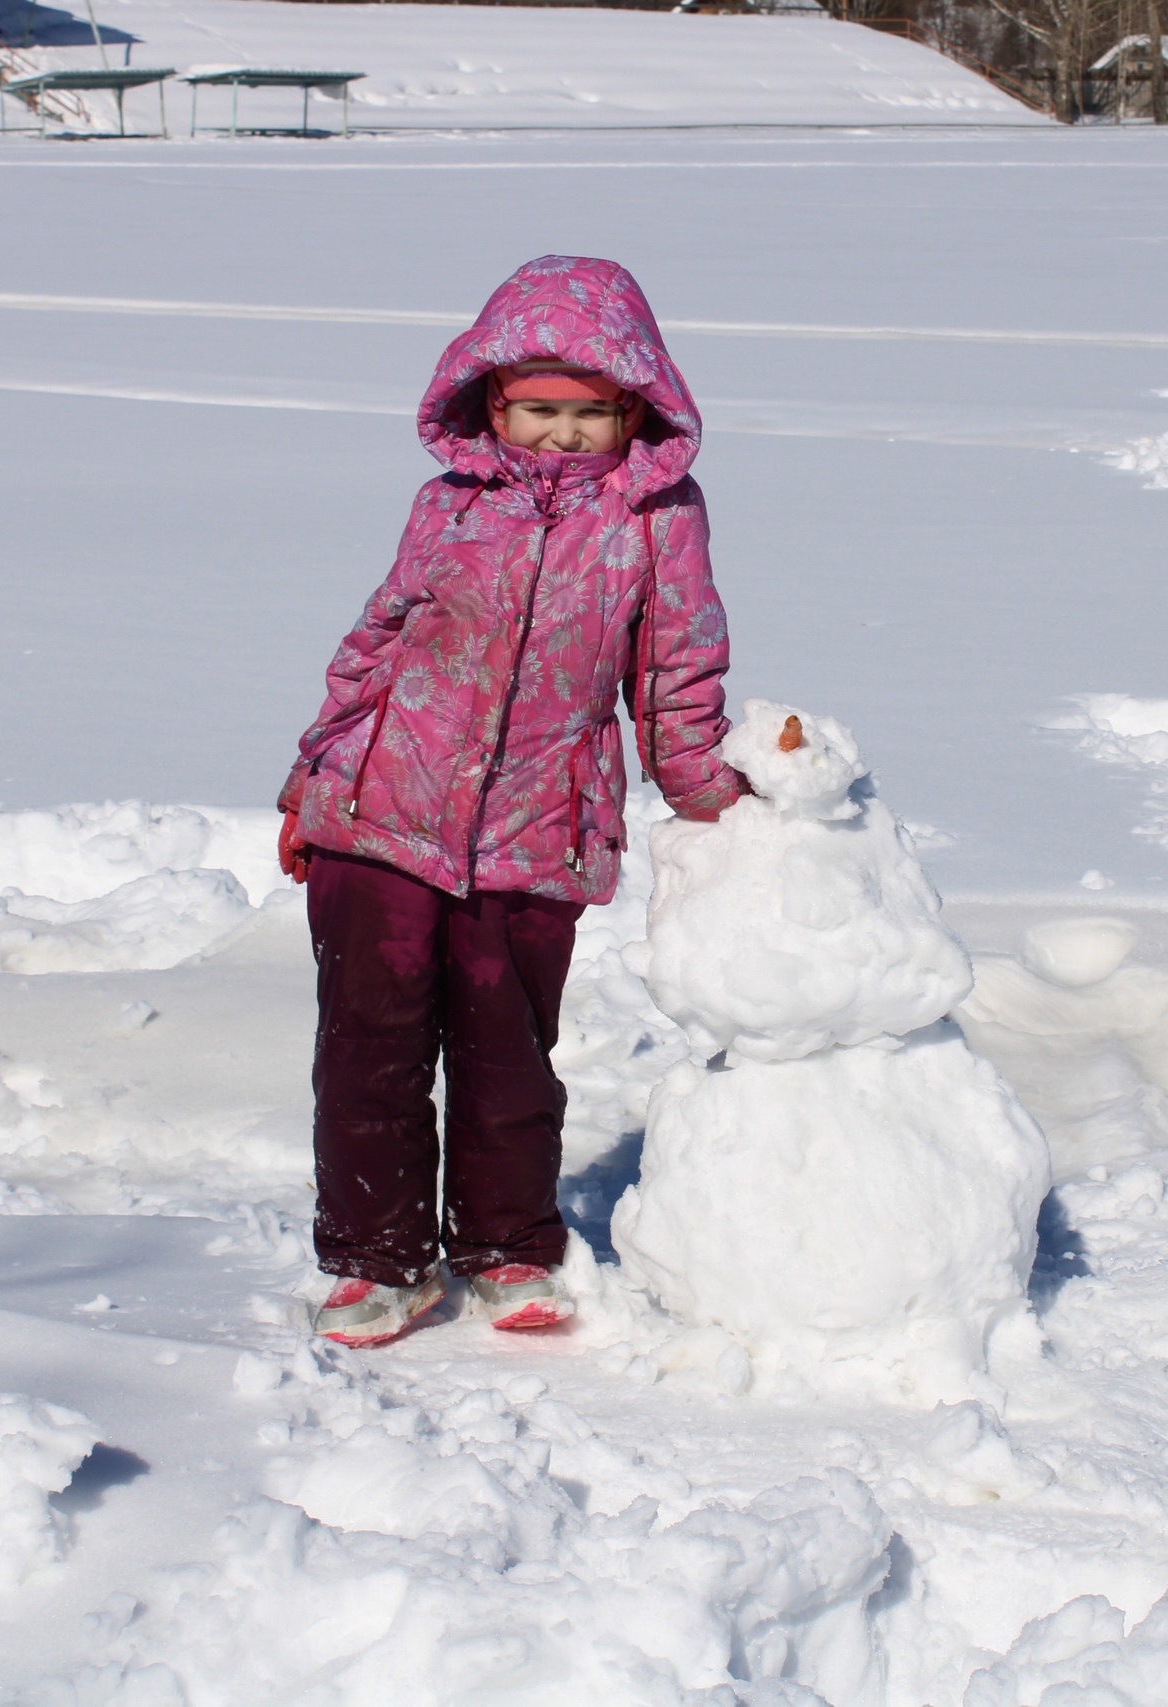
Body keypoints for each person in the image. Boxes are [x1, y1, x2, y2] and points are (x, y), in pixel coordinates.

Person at [275, 255, 747, 1350]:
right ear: (493, 403)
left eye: (590, 415)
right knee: (369, 1048)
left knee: (507, 1052)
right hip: (382, 811)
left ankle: (506, 1248)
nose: (563, 435)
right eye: (538, 410)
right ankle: (376, 1260)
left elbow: (677, 662)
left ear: (636, 408)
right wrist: (312, 779)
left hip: (539, 828)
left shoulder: (656, 519)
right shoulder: (449, 504)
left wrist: (701, 787)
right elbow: (378, 640)